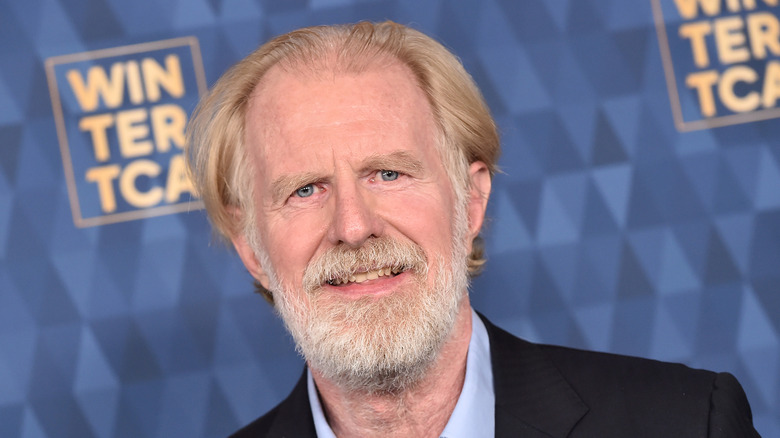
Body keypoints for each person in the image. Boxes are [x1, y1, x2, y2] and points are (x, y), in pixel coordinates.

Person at [185, 21, 760, 438]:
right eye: (304, 190)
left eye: (388, 173)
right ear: (251, 246)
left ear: (471, 199)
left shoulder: (685, 424)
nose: (353, 227)